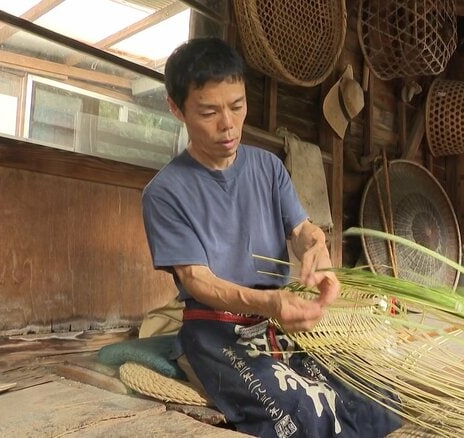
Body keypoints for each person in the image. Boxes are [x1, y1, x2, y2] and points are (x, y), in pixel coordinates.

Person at [142, 37, 401, 438]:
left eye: (237, 105)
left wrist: (317, 247)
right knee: (302, 416)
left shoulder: (268, 167)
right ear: (176, 108)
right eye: (209, 111)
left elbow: (301, 231)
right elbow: (197, 280)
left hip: (280, 322)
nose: (228, 124)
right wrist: (270, 302)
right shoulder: (165, 191)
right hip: (216, 328)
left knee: (374, 398)